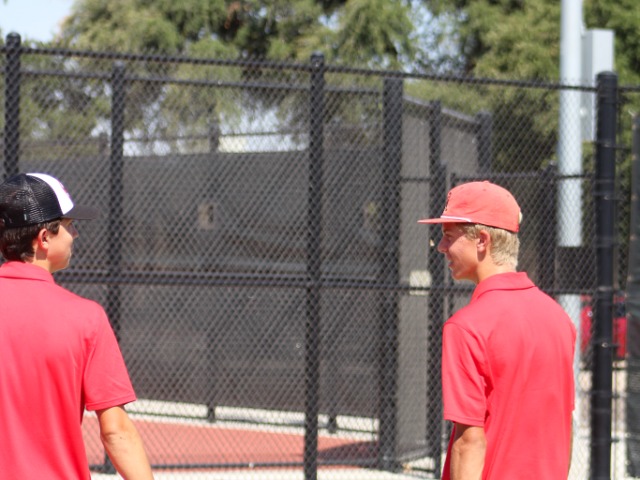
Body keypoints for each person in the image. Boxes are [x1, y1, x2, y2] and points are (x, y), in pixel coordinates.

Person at [0, 173, 154, 479]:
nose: (76, 234)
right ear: (44, 238)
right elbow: (116, 432)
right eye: (69, 225)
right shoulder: (86, 318)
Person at [419, 181, 576, 479]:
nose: (441, 247)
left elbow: (469, 442)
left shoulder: (466, 327)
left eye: (448, 236)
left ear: (482, 240)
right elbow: (564, 425)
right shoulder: (559, 318)